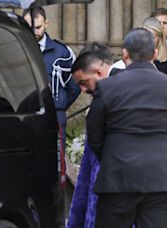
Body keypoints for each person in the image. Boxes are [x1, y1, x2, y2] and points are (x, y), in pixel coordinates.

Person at [87, 28, 167, 227]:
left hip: (118, 177)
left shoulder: (107, 87)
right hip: (161, 178)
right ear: (156, 53)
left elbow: (95, 134)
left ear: (125, 54)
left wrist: (111, 158)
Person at [67, 43, 113, 228]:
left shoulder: (118, 89)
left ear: (98, 71)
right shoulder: (100, 97)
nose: (83, 90)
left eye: (84, 83)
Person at [22, 7, 80, 150]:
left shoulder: (62, 52)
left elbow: (74, 86)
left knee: (56, 162)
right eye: (29, 28)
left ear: (46, 23)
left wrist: (58, 106)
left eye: (38, 27)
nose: (34, 32)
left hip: (54, 118)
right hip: (24, 118)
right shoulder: (15, 50)